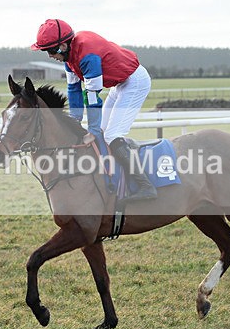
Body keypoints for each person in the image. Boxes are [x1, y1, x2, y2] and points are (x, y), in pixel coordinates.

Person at [31, 18, 156, 201]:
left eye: (50, 50)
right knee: (103, 133)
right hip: (119, 84)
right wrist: (74, 123)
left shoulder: (87, 56)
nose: (49, 55)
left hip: (135, 82)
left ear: (63, 45)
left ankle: (146, 186)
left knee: (111, 134)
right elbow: (74, 90)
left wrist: (92, 130)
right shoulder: (69, 58)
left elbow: (92, 96)